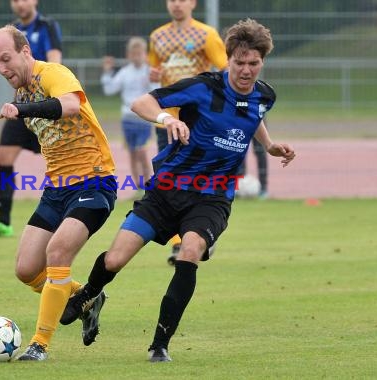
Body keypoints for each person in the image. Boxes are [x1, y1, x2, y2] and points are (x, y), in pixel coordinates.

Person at [60, 18, 296, 363]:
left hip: (212, 197)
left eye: (254, 63)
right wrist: (167, 119)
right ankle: (91, 296)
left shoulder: (265, 95)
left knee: (190, 251)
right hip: (167, 190)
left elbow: (253, 115)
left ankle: (159, 344)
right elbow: (141, 102)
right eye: (239, 62)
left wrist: (270, 145)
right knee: (115, 258)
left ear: (262, 62)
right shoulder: (203, 88)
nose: (246, 70)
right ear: (227, 59)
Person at [0, 25, 116, 360]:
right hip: (56, 189)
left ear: (25, 52)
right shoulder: (22, 96)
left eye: (6, 59)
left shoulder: (53, 74)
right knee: (26, 269)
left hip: (94, 181)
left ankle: (39, 344)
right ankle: (87, 296)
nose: (2, 69)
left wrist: (23, 110)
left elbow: (70, 105)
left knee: (57, 253)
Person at [148, 0, 228, 262]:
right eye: (172, 0)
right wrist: (153, 74)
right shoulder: (157, 36)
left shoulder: (206, 34)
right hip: (168, 119)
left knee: (198, 181)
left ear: (193, 3)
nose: (176, 4)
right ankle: (177, 241)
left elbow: (226, 70)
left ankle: (199, 235)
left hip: (198, 120)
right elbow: (154, 72)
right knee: (166, 179)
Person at [0, 0, 62, 237]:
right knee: (3, 156)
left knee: (58, 160)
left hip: (45, 105)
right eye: (15, 0)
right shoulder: (10, 31)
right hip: (22, 107)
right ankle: (3, 221)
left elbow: (55, 62)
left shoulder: (47, 26)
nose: (20, 4)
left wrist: (44, 94)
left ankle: (66, 215)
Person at [100, 37, 154, 199]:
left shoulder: (149, 72)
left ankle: (149, 185)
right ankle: (137, 187)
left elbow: (156, 91)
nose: (137, 56)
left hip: (143, 118)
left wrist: (153, 81)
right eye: (133, 53)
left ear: (145, 54)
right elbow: (110, 90)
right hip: (128, 119)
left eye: (140, 53)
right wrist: (107, 72)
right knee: (132, 153)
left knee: (142, 151)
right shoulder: (125, 72)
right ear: (129, 55)